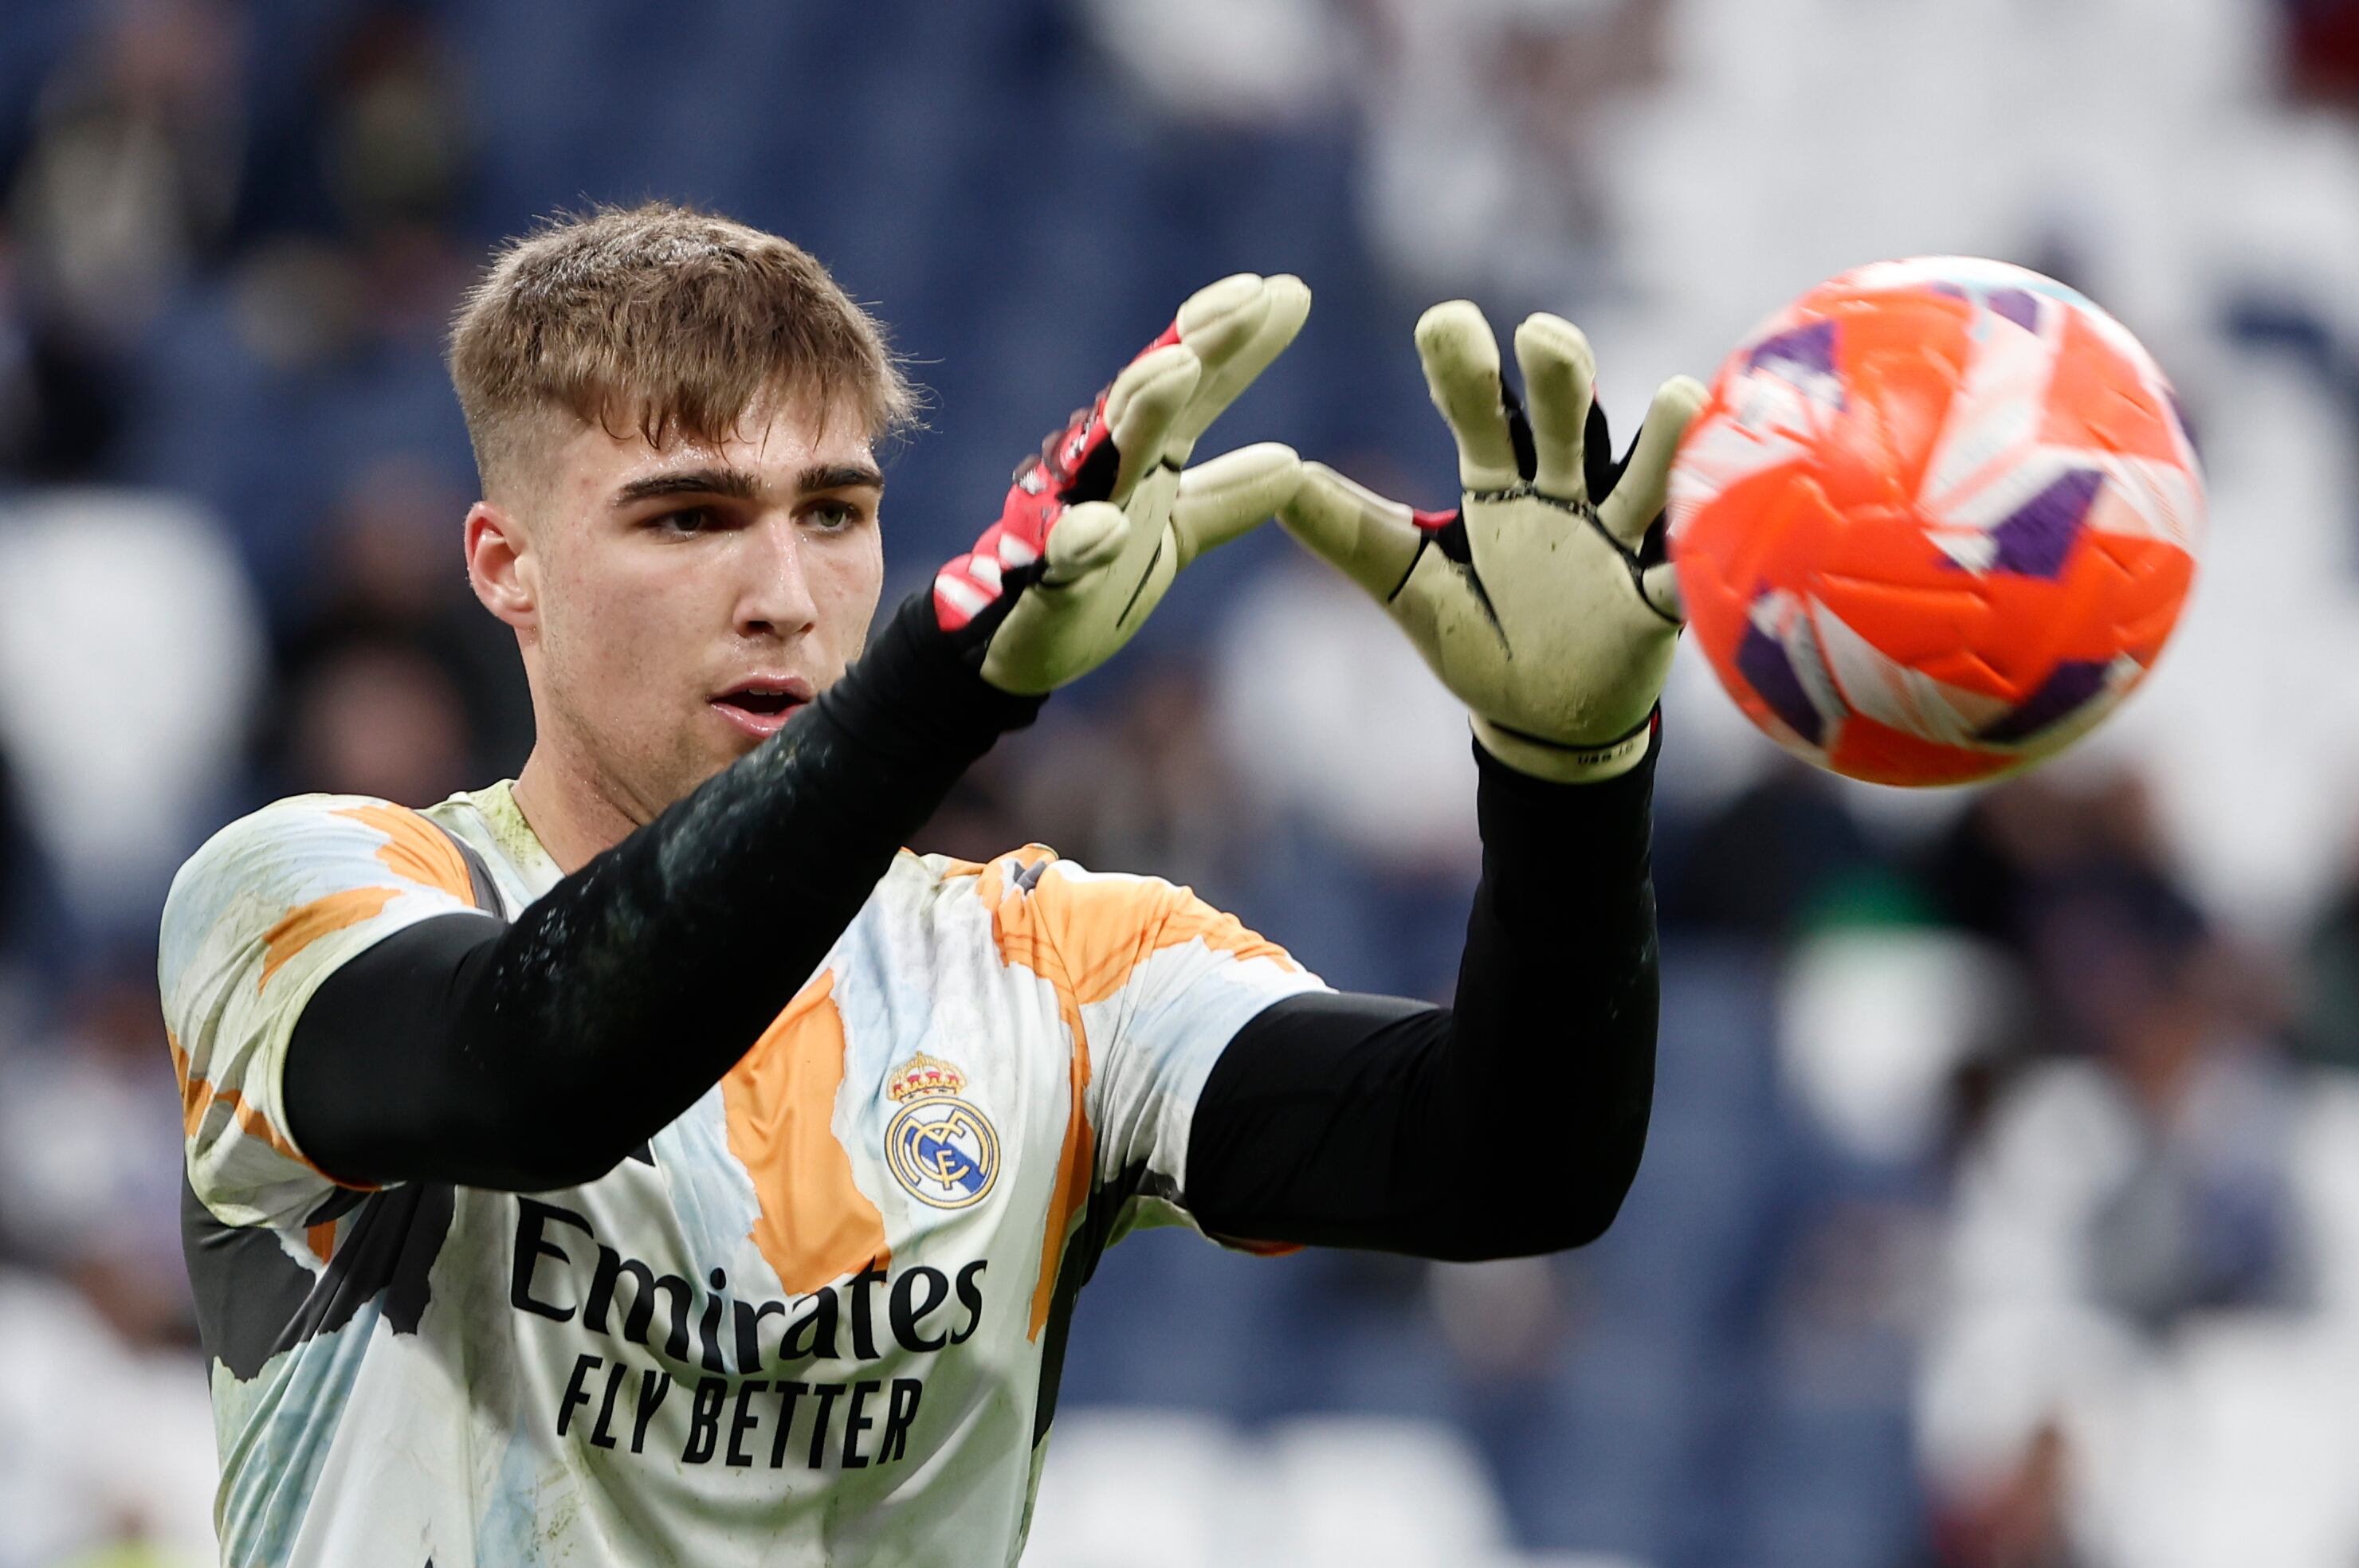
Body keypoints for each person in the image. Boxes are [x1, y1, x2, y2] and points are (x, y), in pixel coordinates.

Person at [159, 202, 1702, 1566]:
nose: (782, 594)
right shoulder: (309, 891)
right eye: (688, 516)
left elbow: (1512, 1166)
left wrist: (1569, 777)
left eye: (832, 514)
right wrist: (938, 685)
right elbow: (536, 1072)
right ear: (507, 567)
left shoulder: (1058, 970)